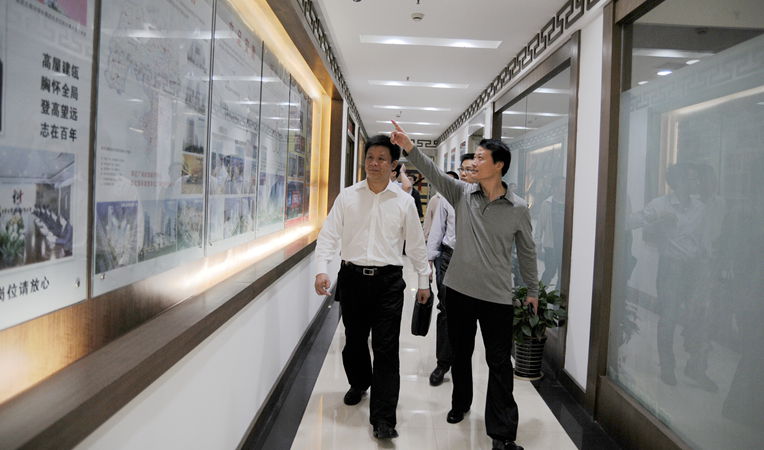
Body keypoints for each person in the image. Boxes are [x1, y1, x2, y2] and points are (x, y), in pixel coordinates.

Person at [392, 121, 538, 450]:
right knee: (461, 353)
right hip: (459, 291)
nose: (474, 163)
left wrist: (532, 290)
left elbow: (528, 251)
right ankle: (460, 403)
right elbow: (432, 172)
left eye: (482, 158)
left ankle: (502, 433)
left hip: (497, 296)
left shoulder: (517, 208)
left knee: (499, 363)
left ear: (499, 165)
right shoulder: (461, 194)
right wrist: (408, 146)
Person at [314, 134, 431, 441]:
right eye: (370, 158)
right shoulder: (348, 196)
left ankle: (383, 418)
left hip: (388, 282)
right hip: (352, 278)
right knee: (353, 341)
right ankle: (359, 382)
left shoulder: (404, 202)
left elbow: (416, 246)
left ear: (393, 165)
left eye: (381, 159)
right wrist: (321, 269)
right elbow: (328, 235)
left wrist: (424, 280)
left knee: (386, 348)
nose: (374, 163)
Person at [426, 158, 474, 387]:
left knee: (467, 313)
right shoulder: (448, 197)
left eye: (470, 170)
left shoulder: (485, 199)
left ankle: (461, 360)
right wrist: (428, 260)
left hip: (473, 262)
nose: (464, 173)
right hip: (448, 257)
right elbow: (438, 229)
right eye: (462, 169)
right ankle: (443, 362)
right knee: (446, 308)